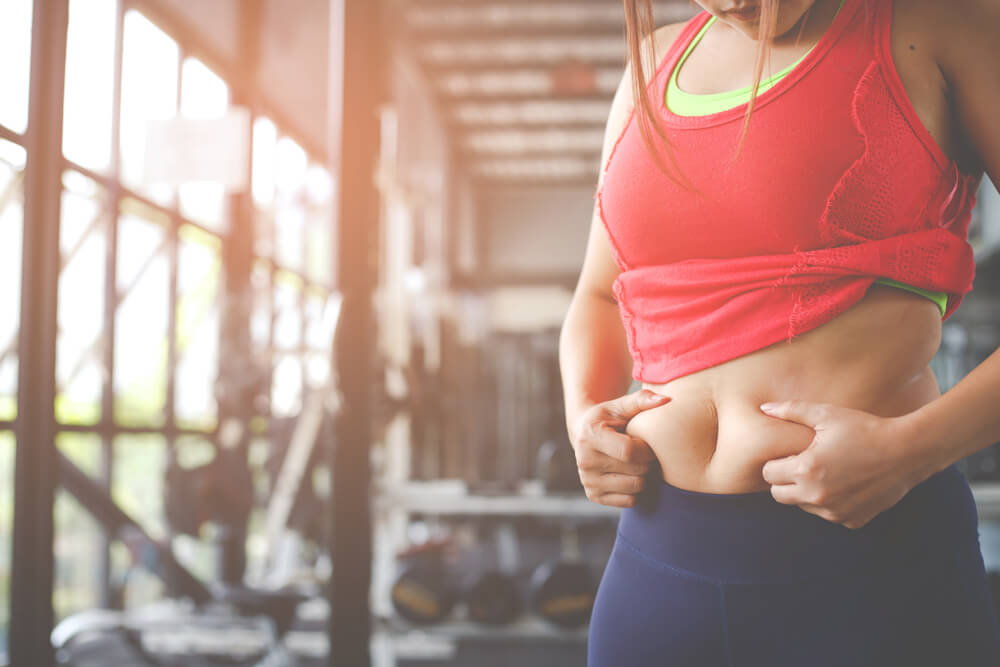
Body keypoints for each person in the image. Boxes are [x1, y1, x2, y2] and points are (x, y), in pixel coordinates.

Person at [557, 0, 1000, 664]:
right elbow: (599, 291)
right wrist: (582, 413)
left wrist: (910, 450)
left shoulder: (941, 23)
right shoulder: (651, 63)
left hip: (873, 572)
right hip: (658, 566)